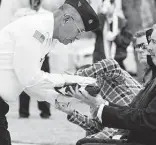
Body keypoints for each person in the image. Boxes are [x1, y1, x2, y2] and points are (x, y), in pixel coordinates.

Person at [67, 21, 156, 145]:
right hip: (140, 139)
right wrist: (100, 104)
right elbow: (137, 111)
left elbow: (148, 121)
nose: (148, 48)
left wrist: (101, 107)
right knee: (84, 142)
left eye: (153, 42)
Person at [0, 0, 99, 144]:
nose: (77, 38)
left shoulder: (46, 36)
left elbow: (31, 87)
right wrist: (76, 80)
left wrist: (56, 99)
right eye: (79, 31)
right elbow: (30, 79)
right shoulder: (36, 30)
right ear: (66, 19)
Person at [56, 58, 142, 140]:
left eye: (80, 84)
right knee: (88, 138)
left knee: (88, 141)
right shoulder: (93, 98)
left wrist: (77, 78)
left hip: (140, 120)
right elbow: (97, 128)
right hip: (122, 130)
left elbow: (111, 63)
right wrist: (71, 112)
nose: (81, 90)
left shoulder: (112, 78)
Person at [13, 0, 52, 119]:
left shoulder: (47, 15)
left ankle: (45, 111)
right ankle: (23, 111)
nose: (35, 2)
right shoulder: (20, 14)